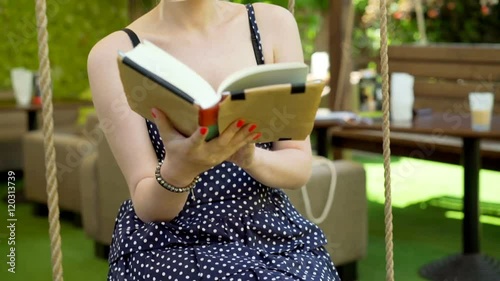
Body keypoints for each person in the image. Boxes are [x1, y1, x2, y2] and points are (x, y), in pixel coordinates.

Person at [87, 0, 340, 280]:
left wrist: (249, 156)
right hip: (171, 241)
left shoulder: (272, 24)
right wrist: (182, 168)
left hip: (270, 231)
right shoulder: (114, 53)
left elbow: (298, 167)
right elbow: (148, 206)